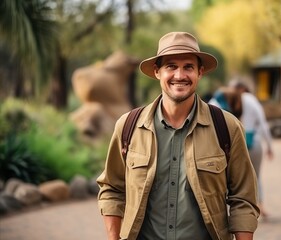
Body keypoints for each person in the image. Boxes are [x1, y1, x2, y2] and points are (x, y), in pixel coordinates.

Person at [97, 32, 260, 240]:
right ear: (157, 72)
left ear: (200, 72)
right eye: (171, 66)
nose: (180, 75)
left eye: (188, 67)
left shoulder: (227, 127)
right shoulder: (128, 126)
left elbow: (243, 197)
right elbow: (112, 188)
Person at [229, 79, 273, 218]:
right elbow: (262, 122)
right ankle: (260, 205)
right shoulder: (250, 98)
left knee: (234, 178)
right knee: (256, 176)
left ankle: (238, 210)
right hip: (253, 142)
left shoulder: (227, 99)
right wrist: (270, 146)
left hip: (233, 143)